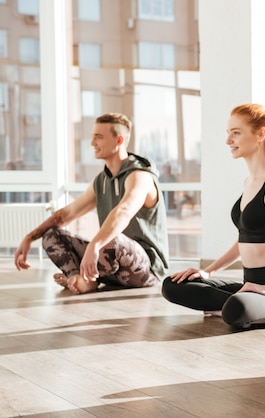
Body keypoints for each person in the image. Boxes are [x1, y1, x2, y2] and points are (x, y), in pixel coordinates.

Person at [161, 103, 265, 329]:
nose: (228, 140)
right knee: (172, 285)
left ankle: (236, 306)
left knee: (235, 309)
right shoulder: (249, 182)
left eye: (236, 133)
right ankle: (238, 304)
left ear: (260, 134)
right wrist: (208, 271)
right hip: (250, 285)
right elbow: (244, 241)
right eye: (228, 133)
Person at [14, 112, 169, 294]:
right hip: (111, 265)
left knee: (112, 239)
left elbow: (123, 212)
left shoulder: (140, 176)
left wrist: (95, 244)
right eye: (92, 137)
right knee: (51, 235)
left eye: (99, 137)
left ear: (119, 140)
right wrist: (29, 238)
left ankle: (86, 278)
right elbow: (65, 215)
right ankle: (79, 279)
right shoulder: (101, 181)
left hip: (145, 269)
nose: (92, 143)